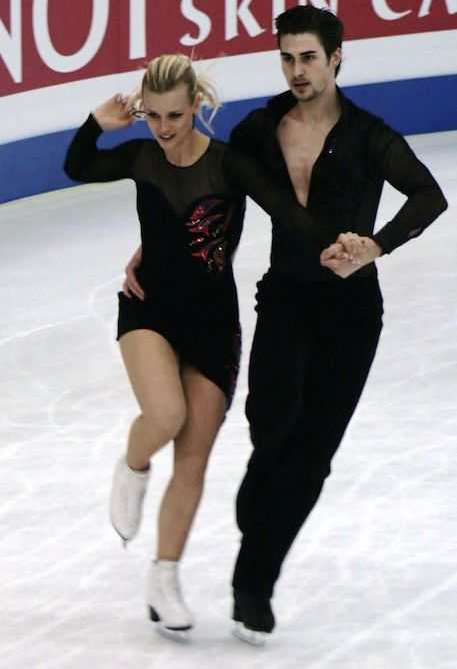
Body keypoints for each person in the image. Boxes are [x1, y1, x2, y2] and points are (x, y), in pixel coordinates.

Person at [122, 8, 448, 645]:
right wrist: (155, 249)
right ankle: (259, 505)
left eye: (308, 58)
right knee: (272, 430)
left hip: (353, 315)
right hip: (285, 302)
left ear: (335, 59)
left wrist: (375, 246)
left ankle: (255, 583)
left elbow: (429, 196)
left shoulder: (368, 136)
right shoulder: (257, 130)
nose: (297, 70)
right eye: (287, 58)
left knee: (313, 455)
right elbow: (210, 194)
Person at [63, 53, 343, 639]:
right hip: (150, 311)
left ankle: (163, 580)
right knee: (165, 415)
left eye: (174, 115)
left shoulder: (228, 167)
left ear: (197, 106)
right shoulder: (141, 156)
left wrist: (338, 244)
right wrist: (98, 122)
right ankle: (133, 465)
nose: (164, 128)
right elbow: (78, 165)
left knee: (193, 456)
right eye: (153, 116)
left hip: (213, 328)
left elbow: (287, 214)